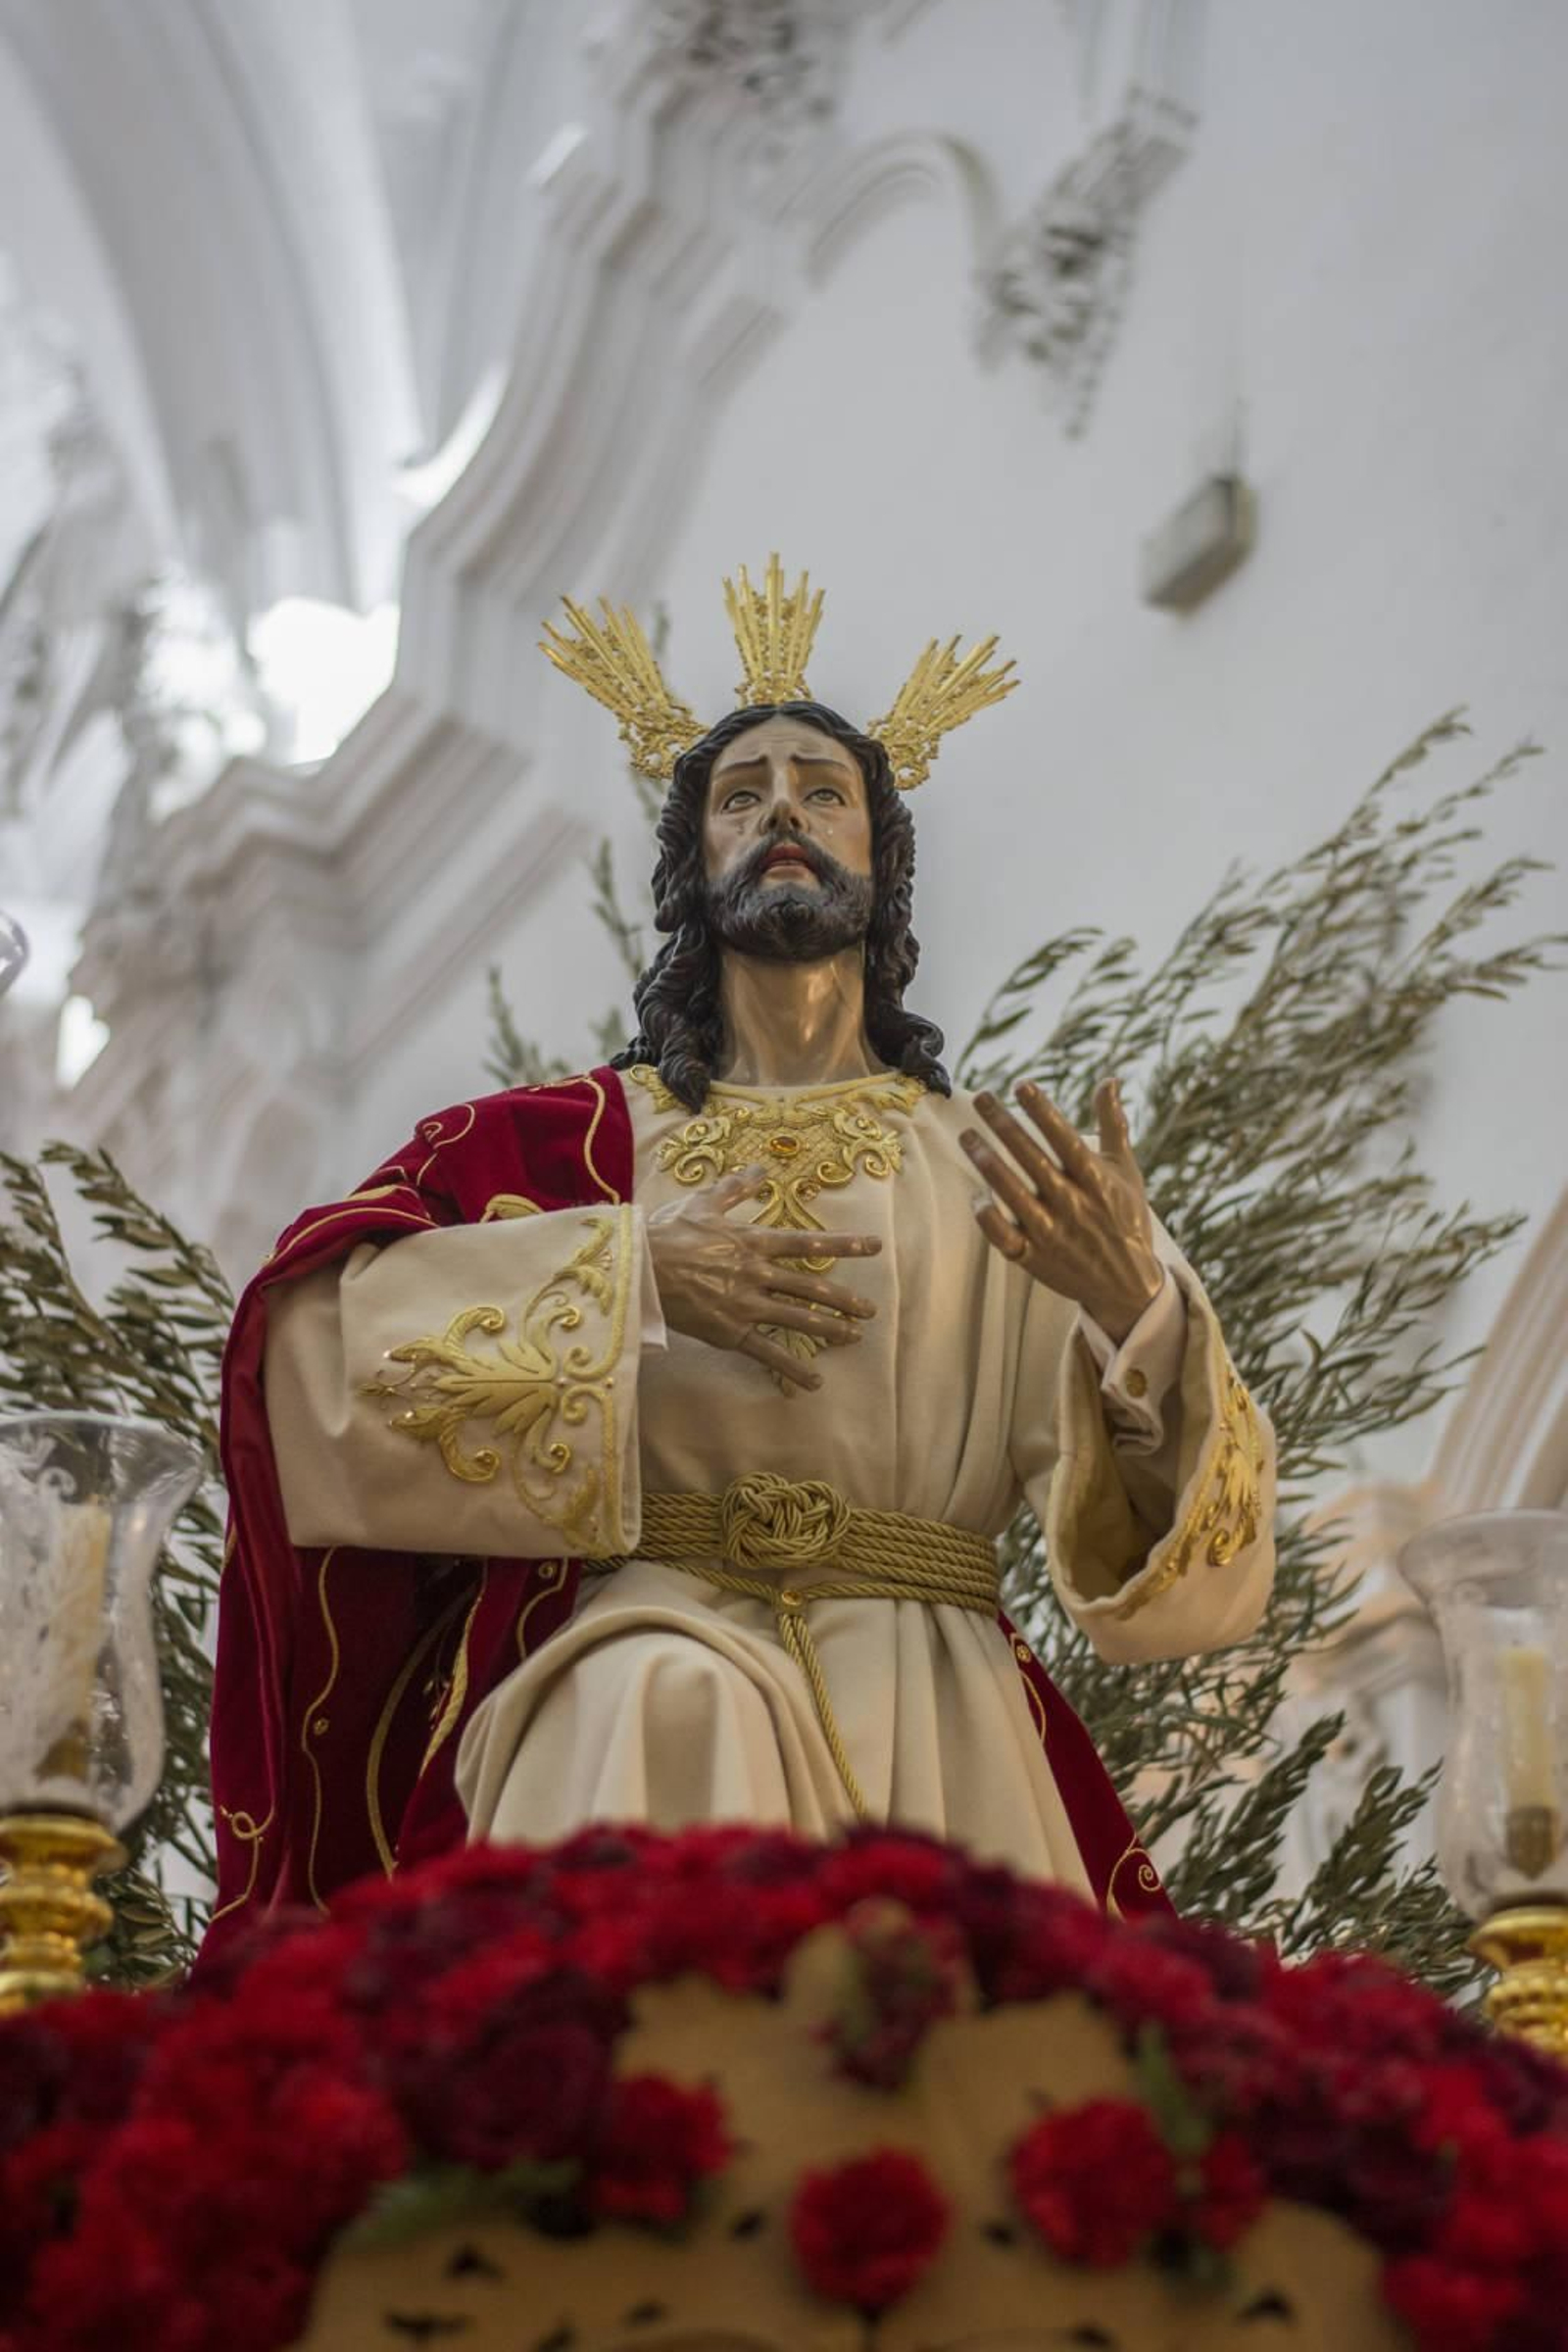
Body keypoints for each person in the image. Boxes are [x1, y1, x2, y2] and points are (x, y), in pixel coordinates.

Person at [206, 559, 1274, 1945]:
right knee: (663, 1696)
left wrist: (1139, 1319)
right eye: (741, 795)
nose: (783, 813)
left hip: (927, 1698)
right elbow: (308, 1368)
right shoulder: (559, 1150)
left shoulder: (995, 1168)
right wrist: (627, 1280)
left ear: (882, 860)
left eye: (823, 793)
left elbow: (1189, 1594)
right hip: (633, 1652)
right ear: (691, 863)